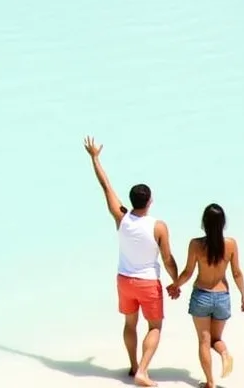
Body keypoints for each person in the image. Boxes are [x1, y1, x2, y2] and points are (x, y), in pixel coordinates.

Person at [83, 137, 180, 387]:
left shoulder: (121, 218)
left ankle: (133, 365)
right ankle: (143, 371)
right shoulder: (158, 226)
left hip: (124, 281)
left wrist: (94, 158)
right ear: (149, 202)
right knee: (155, 327)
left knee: (129, 324)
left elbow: (106, 186)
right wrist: (177, 281)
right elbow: (168, 258)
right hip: (148, 283)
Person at [166, 203, 244, 388]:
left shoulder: (196, 245)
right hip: (222, 297)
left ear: (204, 222)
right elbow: (237, 273)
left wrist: (175, 285)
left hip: (202, 296)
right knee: (216, 340)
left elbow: (188, 271)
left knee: (204, 341)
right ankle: (225, 354)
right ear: (223, 223)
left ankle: (210, 382)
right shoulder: (231, 244)